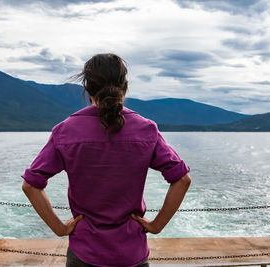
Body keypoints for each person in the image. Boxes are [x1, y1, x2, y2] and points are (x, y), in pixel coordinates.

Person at [21, 53, 191, 267]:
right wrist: (157, 226)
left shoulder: (64, 131)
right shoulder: (147, 129)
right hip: (132, 254)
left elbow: (31, 185)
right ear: (125, 86)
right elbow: (182, 180)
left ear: (87, 88)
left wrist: (59, 228)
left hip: (84, 253)